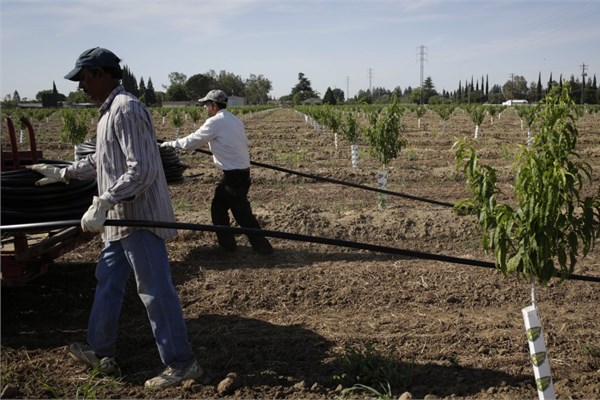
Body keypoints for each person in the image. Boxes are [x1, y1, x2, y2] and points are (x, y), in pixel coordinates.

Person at [27, 47, 202, 389]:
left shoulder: (127, 109)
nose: (80, 87)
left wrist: (104, 200)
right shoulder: (107, 113)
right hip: (118, 222)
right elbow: (101, 163)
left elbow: (144, 169)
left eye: (83, 78)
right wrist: (63, 173)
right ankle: (100, 349)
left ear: (100, 74)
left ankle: (182, 363)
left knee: (154, 290)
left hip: (138, 219)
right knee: (107, 280)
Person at [161, 89, 274, 256]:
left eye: (206, 105)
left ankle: (264, 249)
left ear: (213, 105)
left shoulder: (215, 121)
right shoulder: (234, 120)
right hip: (240, 172)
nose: (205, 108)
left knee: (243, 215)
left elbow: (192, 141)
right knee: (218, 208)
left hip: (233, 175)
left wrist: (169, 144)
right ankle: (227, 245)